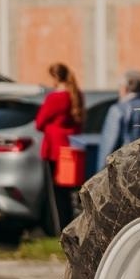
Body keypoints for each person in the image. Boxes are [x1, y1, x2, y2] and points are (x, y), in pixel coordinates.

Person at [35, 62, 85, 230]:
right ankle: (74, 225)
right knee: (71, 192)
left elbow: (39, 122)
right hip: (72, 150)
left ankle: (60, 228)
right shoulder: (76, 95)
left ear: (55, 77)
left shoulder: (54, 98)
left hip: (54, 150)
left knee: (56, 195)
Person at [98, 69, 140, 161]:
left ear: (125, 87)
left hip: (126, 166)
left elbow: (108, 147)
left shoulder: (118, 110)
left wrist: (100, 172)